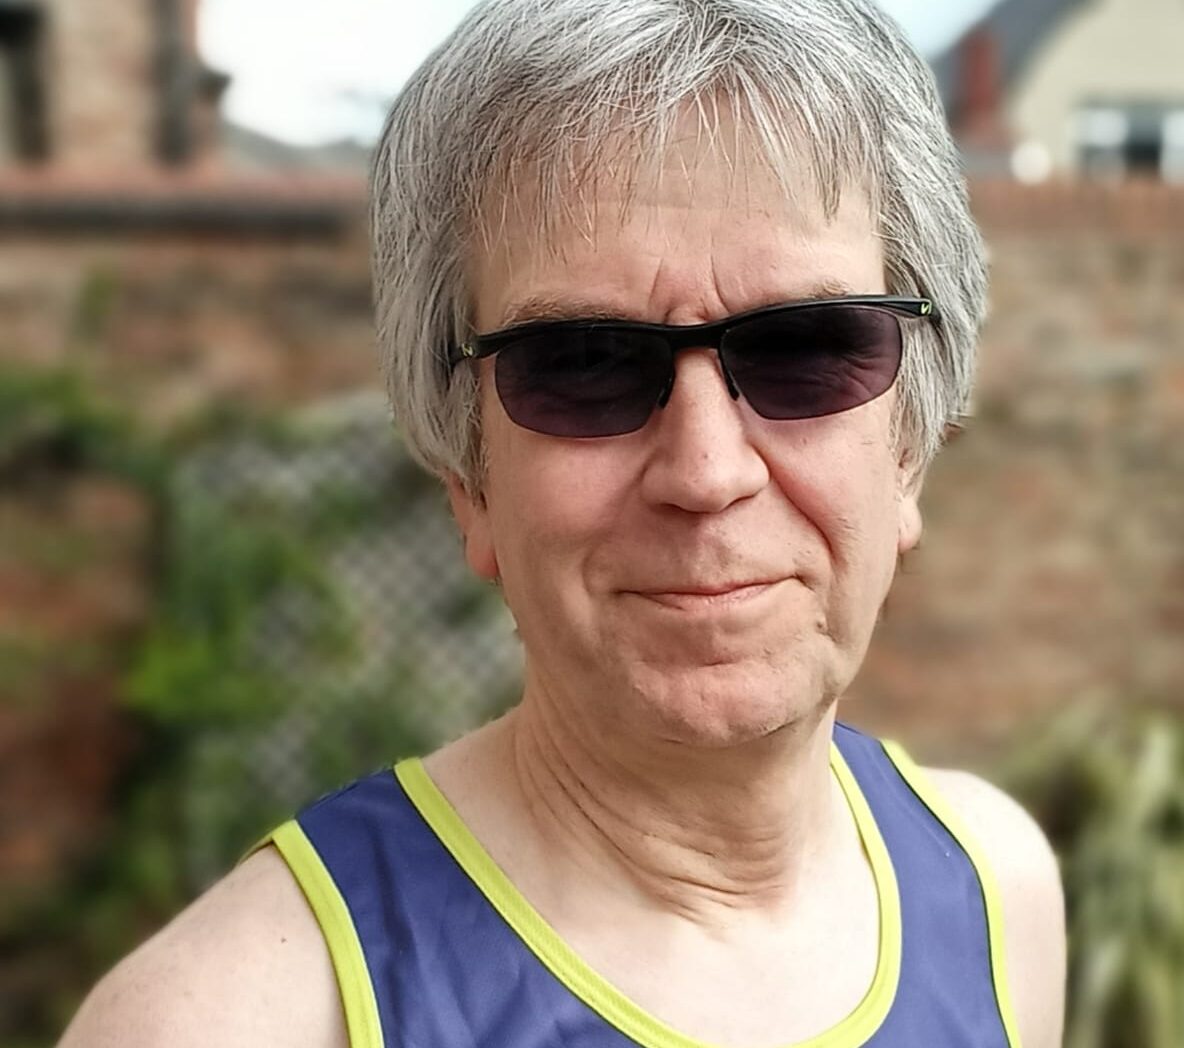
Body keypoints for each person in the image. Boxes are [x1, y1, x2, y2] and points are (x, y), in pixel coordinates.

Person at [59, 0, 1066, 1044]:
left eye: (805, 347)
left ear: (908, 444)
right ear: (467, 475)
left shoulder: (993, 892)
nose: (706, 471)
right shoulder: (234, 1019)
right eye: (583, 365)